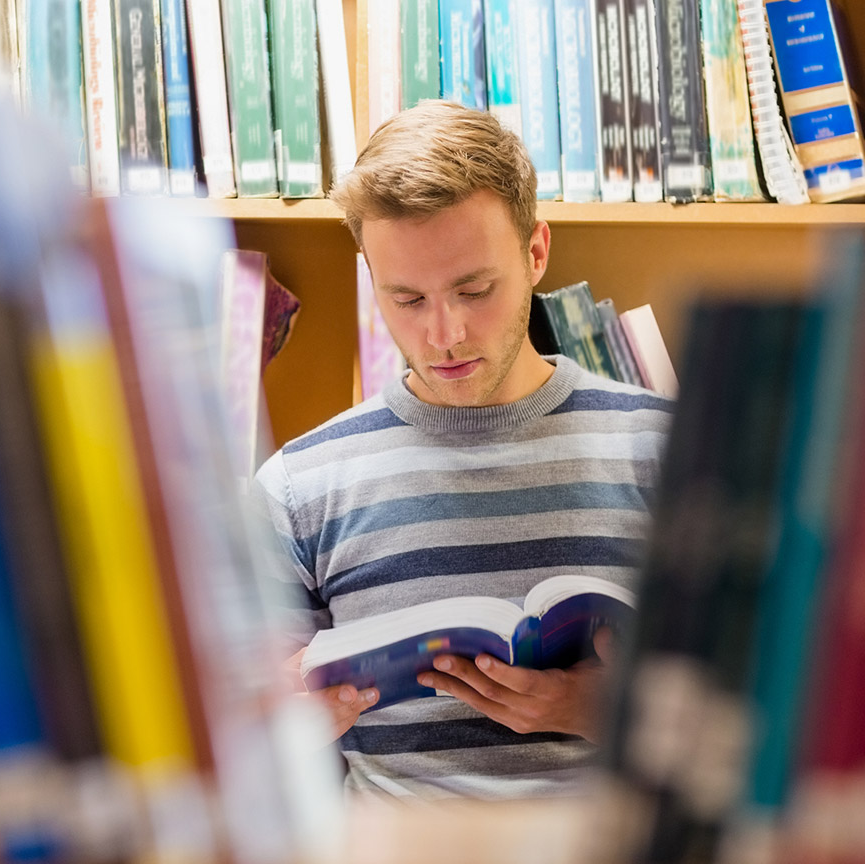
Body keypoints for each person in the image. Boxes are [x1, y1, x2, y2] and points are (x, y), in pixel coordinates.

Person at [254, 101, 675, 798]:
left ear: (537, 252)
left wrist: (607, 712)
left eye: (474, 290)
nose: (443, 334)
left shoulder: (663, 449)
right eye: (406, 299)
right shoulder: (300, 488)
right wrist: (278, 726)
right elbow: (231, 757)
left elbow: (770, 717)